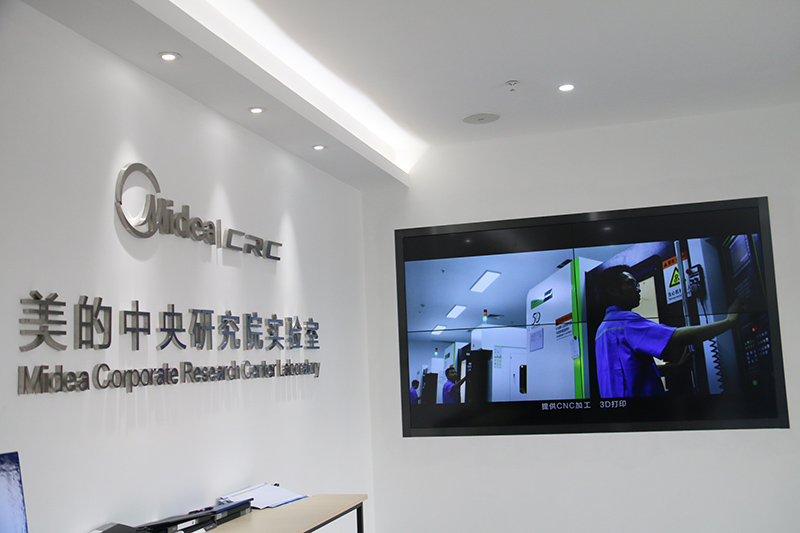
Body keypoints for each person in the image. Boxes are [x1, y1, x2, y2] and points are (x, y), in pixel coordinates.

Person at [594, 265, 741, 398]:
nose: (638, 289)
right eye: (631, 284)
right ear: (613, 291)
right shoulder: (624, 321)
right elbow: (677, 337)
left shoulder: (602, 330)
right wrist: (729, 321)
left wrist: (675, 368)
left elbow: (629, 371)